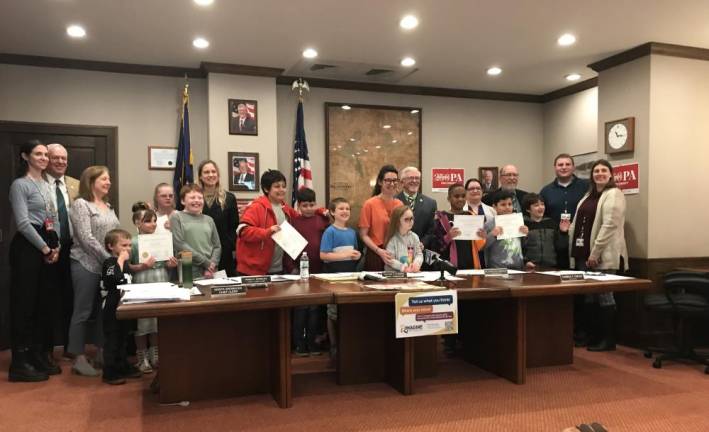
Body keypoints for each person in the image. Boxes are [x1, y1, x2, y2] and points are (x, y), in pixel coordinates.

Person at [8, 140, 60, 382]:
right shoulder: (20, 185)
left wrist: (55, 246)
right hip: (28, 248)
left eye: (45, 155)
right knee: (25, 305)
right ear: (25, 156)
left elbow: (53, 217)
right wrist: (44, 248)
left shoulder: (46, 184)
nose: (44, 158)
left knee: (43, 303)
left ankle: (37, 354)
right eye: (38, 154)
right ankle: (20, 361)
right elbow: (23, 223)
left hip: (48, 245)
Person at [569, 159, 628, 352]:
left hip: (603, 256)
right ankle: (593, 336)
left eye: (604, 170)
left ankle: (608, 340)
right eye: (596, 171)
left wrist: (595, 253)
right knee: (589, 298)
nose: (599, 173)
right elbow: (579, 222)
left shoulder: (614, 194)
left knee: (605, 296)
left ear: (611, 174)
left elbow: (609, 225)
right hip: (582, 255)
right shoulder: (588, 195)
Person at [68, 165, 120, 377]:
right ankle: (78, 358)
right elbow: (85, 238)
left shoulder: (107, 205)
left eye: (109, 179)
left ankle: (100, 352)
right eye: (103, 179)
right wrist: (109, 259)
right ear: (91, 181)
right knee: (83, 311)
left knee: (103, 311)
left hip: (105, 267)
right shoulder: (81, 204)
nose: (108, 182)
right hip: (85, 264)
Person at [128, 208, 178, 373]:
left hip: (161, 280)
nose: (153, 224)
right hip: (142, 282)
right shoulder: (133, 242)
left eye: (155, 220)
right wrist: (142, 266)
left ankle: (155, 355)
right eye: (148, 221)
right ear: (137, 223)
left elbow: (166, 264)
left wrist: (171, 265)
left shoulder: (162, 240)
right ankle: (142, 357)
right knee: (142, 322)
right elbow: (127, 267)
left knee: (157, 321)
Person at [44, 143, 79, 359]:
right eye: (55, 158)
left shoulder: (75, 184)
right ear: (46, 160)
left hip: (73, 249)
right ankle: (46, 349)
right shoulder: (38, 184)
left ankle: (70, 347)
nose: (60, 162)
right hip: (47, 248)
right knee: (46, 299)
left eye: (64, 158)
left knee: (70, 299)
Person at [289, 188, 329, 356]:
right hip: (299, 272)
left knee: (314, 309)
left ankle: (313, 343)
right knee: (300, 309)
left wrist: (323, 212)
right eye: (305, 205)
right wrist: (291, 268)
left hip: (319, 271)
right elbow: (288, 248)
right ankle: (299, 344)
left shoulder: (322, 220)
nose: (309, 208)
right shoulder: (293, 222)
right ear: (298, 206)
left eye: (312, 205)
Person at [320, 197, 361, 362]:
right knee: (333, 312)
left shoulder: (352, 233)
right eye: (341, 208)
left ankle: (346, 345)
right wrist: (345, 255)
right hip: (333, 277)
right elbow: (323, 255)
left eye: (347, 209)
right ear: (332, 212)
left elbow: (355, 253)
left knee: (347, 310)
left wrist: (356, 255)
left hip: (350, 277)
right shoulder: (330, 231)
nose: (345, 211)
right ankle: (334, 346)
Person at [100, 229, 143, 385]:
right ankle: (110, 371)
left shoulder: (125, 264)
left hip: (125, 307)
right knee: (112, 340)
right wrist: (120, 260)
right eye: (123, 245)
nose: (127, 249)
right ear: (111, 246)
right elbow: (114, 279)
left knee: (123, 339)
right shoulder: (110, 263)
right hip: (112, 309)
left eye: (130, 245)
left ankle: (122, 365)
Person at [236, 169, 298, 275]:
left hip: (278, 269)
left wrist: (322, 211)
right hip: (253, 271)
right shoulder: (256, 207)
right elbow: (242, 231)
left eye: (283, 186)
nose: (282, 189)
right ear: (266, 188)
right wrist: (267, 232)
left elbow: (304, 215)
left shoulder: (285, 208)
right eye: (277, 186)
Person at [539, 153, 589, 269]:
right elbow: (541, 217)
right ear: (555, 168)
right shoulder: (546, 191)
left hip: (581, 241)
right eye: (560, 165)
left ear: (573, 167)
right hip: (555, 244)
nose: (564, 167)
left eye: (567, 164)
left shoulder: (586, 186)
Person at [170, 184, 221, 278]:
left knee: (209, 291)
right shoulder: (177, 217)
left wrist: (213, 263)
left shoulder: (209, 220)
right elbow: (179, 244)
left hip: (210, 269)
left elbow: (217, 246)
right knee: (190, 291)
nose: (197, 200)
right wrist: (205, 262)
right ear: (182, 201)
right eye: (192, 197)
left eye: (200, 198)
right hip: (188, 266)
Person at [359, 165, 404, 271]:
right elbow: (363, 235)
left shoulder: (400, 204)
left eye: (395, 180)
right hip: (375, 254)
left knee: (397, 286)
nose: (392, 184)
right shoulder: (369, 204)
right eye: (388, 180)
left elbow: (403, 231)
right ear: (380, 182)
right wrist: (379, 251)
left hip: (396, 253)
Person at [433, 183, 488, 270]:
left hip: (470, 265)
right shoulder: (441, 218)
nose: (460, 199)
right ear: (449, 198)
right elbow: (435, 247)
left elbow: (480, 247)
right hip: (449, 266)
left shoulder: (472, 216)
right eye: (456, 196)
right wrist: (448, 237)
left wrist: (483, 238)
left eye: (463, 196)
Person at [198, 160, 238, 277]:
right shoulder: (193, 198)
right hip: (199, 254)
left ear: (218, 175)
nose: (210, 175)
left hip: (223, 255)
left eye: (213, 171)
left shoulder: (229, 198)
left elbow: (234, 227)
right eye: (206, 172)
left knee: (223, 292)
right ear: (200, 176)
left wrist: (228, 247)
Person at [522, 193, 568, 270]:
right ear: (528, 209)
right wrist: (525, 262)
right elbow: (519, 248)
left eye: (542, 204)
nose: (541, 207)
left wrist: (563, 232)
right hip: (530, 267)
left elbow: (561, 247)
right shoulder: (523, 225)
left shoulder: (551, 223)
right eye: (536, 205)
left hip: (552, 267)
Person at [395, 166, 437, 251]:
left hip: (421, 253)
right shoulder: (394, 201)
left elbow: (432, 230)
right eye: (411, 178)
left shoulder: (431, 203)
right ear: (402, 181)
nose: (414, 181)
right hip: (397, 250)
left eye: (417, 178)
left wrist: (422, 243)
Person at [484, 191, 529, 270]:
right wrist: (492, 234)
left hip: (518, 267)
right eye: (503, 205)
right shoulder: (489, 224)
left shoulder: (518, 221)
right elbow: (482, 246)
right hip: (497, 268)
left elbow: (524, 245)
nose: (507, 207)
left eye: (510, 204)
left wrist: (525, 235)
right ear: (494, 207)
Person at [462, 178, 496, 267]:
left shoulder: (491, 211)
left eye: (478, 188)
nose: (475, 191)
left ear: (482, 191)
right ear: (465, 192)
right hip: (467, 253)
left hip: (487, 254)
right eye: (471, 189)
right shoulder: (460, 211)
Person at [383, 206, 423, 272]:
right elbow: (390, 260)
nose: (410, 221)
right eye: (406, 219)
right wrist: (403, 267)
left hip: (410, 274)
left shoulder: (414, 237)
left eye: (412, 218)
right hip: (393, 276)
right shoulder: (392, 239)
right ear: (398, 222)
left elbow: (419, 254)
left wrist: (416, 264)